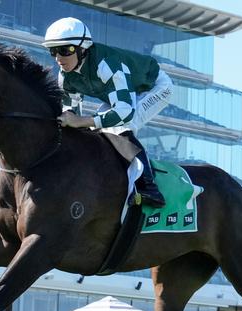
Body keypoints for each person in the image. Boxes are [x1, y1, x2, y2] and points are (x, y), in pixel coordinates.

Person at [42, 17, 173, 207]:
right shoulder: (65, 77)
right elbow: (71, 116)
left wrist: (82, 121)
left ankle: (149, 188)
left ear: (82, 48)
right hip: (122, 95)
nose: (58, 58)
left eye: (65, 50)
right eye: (53, 51)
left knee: (119, 125)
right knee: (98, 128)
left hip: (155, 88)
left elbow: (124, 113)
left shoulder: (107, 64)